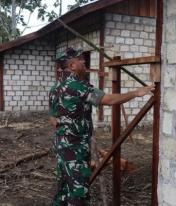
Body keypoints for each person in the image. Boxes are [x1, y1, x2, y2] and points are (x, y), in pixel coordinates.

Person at [49, 48, 155, 206]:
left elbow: (52, 118)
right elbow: (108, 100)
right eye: (80, 59)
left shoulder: (55, 88)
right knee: (79, 193)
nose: (84, 61)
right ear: (72, 66)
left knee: (63, 189)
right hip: (75, 148)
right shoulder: (76, 86)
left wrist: (67, 124)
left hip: (61, 146)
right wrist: (136, 93)